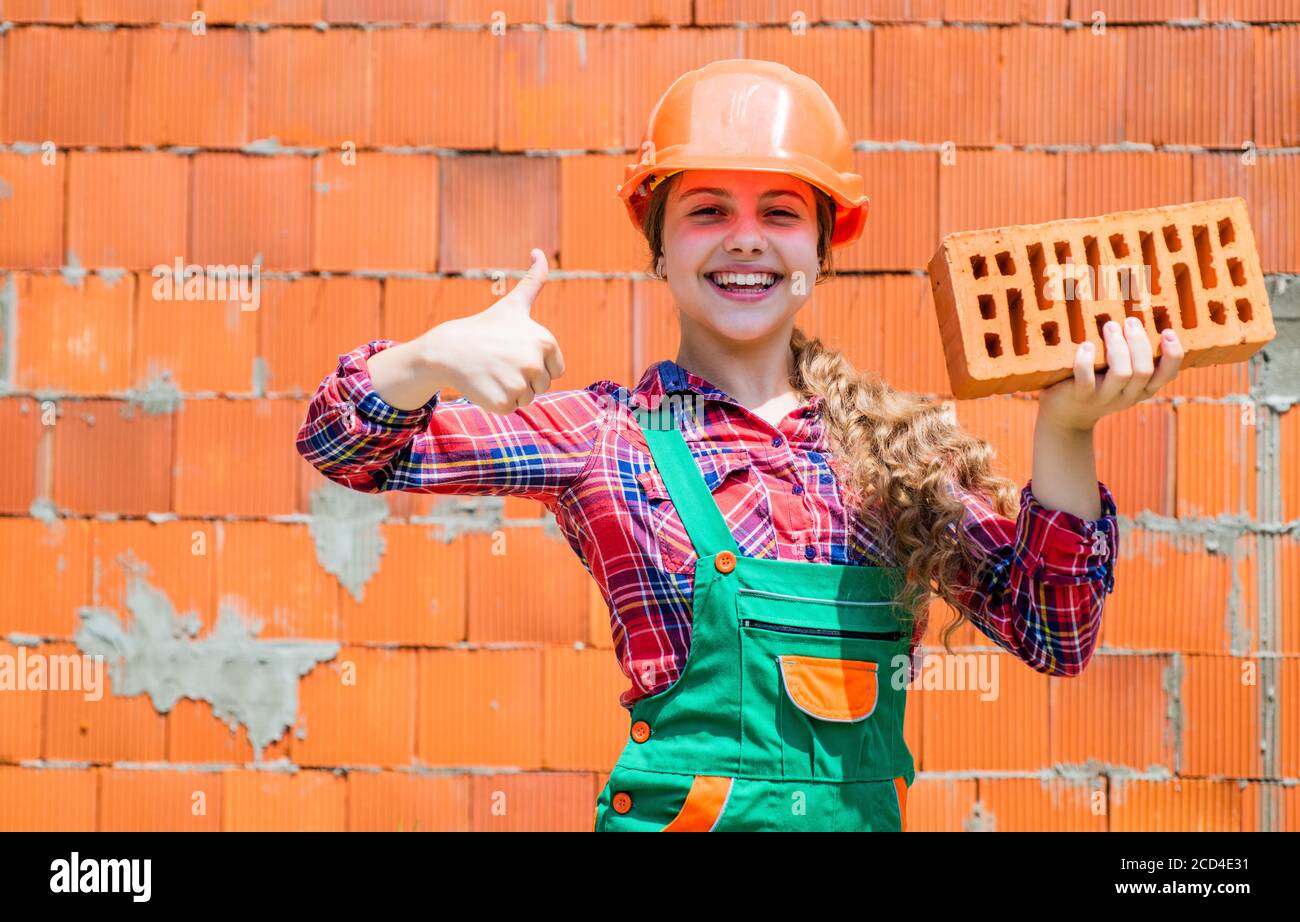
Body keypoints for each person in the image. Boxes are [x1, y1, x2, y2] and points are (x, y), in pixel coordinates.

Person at [295, 60, 1182, 832]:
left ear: (823, 246)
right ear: (660, 244)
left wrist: (1067, 426)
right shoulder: (604, 439)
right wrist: (425, 358)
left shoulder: (900, 458)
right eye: (707, 209)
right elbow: (346, 447)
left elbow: (1052, 630)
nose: (746, 236)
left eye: (782, 211)